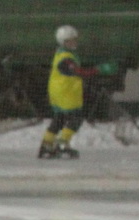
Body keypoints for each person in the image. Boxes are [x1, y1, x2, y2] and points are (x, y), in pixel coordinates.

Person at [39, 25, 111, 160]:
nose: (75, 42)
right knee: (76, 119)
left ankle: (46, 145)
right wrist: (99, 70)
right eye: (71, 40)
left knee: (59, 119)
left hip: (58, 91)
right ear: (64, 42)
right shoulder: (66, 58)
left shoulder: (62, 53)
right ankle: (62, 145)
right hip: (66, 93)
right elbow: (79, 72)